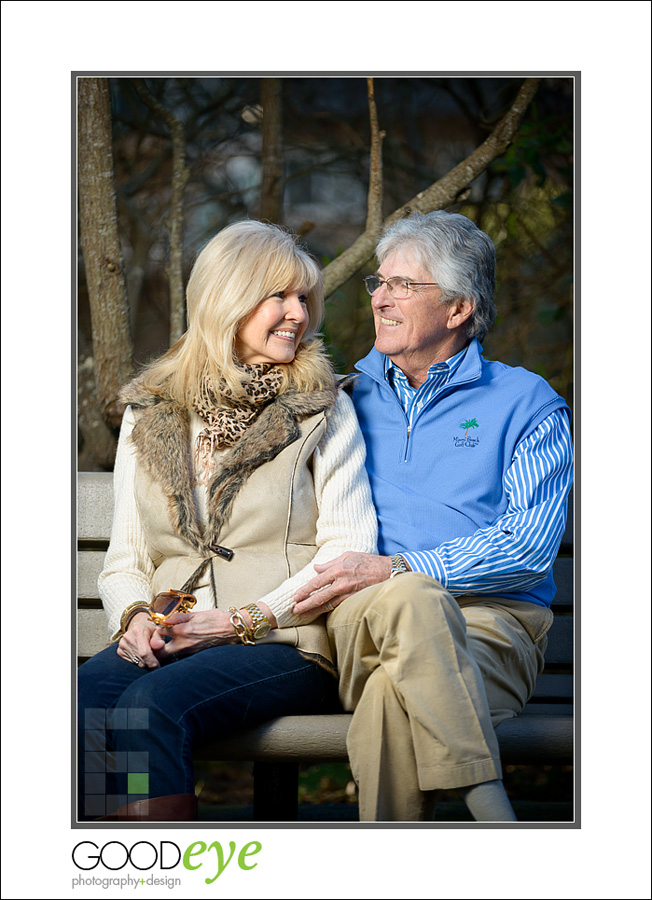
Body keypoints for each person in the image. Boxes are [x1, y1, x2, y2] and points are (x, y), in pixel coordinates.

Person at [77, 220, 377, 822]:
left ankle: (164, 870)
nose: (298, 313)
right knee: (89, 698)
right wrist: (135, 618)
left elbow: (346, 552)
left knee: (153, 705)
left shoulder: (325, 407)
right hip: (173, 632)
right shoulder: (151, 412)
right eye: (280, 297)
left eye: (304, 299)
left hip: (286, 642)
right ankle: (115, 864)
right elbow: (126, 561)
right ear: (227, 301)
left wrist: (241, 620)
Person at [293, 210, 574, 822]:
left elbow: (527, 547)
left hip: (492, 624)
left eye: (403, 286)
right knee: (407, 606)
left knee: (391, 703)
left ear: (457, 309)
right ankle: (494, 815)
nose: (381, 299)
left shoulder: (526, 403)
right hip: (366, 622)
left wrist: (399, 567)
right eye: (379, 283)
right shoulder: (340, 400)